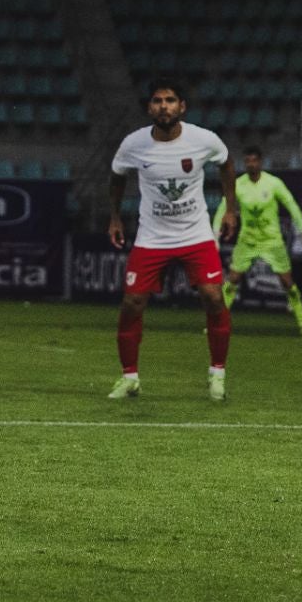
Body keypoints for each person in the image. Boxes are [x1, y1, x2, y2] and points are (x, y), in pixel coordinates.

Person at [106, 78, 240, 402]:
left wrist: (230, 210)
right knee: (132, 303)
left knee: (213, 296)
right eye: (156, 101)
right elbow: (116, 177)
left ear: (181, 107)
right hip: (152, 237)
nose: (163, 106)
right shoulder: (134, 144)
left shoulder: (203, 139)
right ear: (149, 107)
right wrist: (114, 217)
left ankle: (217, 372)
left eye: (169, 100)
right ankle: (129, 378)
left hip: (195, 234)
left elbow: (225, 165)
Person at [209, 146, 302, 338]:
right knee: (232, 279)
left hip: (271, 241)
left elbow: (291, 205)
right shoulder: (238, 184)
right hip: (247, 240)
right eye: (247, 161)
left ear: (260, 162)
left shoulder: (273, 183)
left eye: (254, 161)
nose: (251, 164)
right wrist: (214, 236)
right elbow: (223, 209)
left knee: (287, 282)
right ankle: (217, 324)